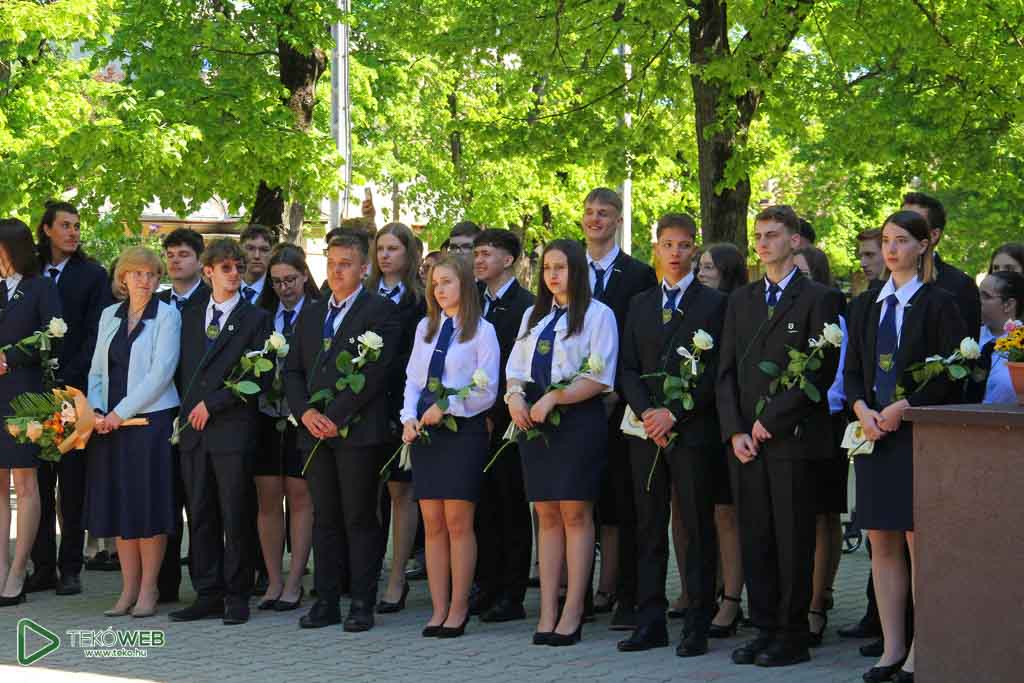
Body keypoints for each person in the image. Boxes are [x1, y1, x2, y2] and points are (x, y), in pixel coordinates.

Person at [716, 205, 843, 668]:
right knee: (756, 537)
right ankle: (764, 628)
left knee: (792, 539)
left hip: (793, 440)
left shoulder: (819, 298)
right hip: (746, 444)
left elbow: (820, 371)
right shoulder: (742, 299)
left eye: (772, 235)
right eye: (758, 235)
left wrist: (771, 419)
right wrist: (735, 430)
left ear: (794, 241)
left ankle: (792, 634)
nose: (763, 243)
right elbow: (725, 372)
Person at [845, 209, 967, 682]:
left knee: (917, 542)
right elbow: (852, 370)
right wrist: (861, 408)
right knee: (881, 541)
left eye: (901, 240)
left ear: (923, 245)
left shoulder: (940, 303)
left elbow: (954, 371)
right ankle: (891, 647)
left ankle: (920, 649)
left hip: (916, 436)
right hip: (874, 435)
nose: (891, 249)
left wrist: (906, 405)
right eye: (885, 240)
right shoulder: (865, 304)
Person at [616, 214, 727, 657]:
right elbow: (627, 367)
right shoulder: (640, 303)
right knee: (648, 526)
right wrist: (647, 412)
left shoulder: (714, 304)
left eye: (683, 245)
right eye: (667, 245)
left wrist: (674, 413)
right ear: (656, 248)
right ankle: (650, 621)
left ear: (694, 250)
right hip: (645, 432)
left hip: (691, 430)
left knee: (696, 526)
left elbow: (717, 370)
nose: (675, 253)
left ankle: (697, 623)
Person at [284, 233, 401, 632]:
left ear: (364, 268)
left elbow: (376, 372)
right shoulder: (313, 312)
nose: (336, 270)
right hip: (313, 432)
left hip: (358, 433)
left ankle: (362, 602)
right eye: (331, 263)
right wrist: (306, 413)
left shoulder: (380, 311)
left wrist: (335, 415)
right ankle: (327, 601)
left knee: (359, 517)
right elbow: (292, 370)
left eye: (346, 264)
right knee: (325, 518)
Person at [506, 239, 619, 646]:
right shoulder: (533, 315)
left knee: (575, 515)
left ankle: (573, 609)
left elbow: (600, 376)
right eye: (548, 268)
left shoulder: (598, 314)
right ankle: (548, 610)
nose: (553, 275)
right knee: (547, 515)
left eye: (562, 267)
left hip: (577, 423)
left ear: (578, 271)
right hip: (535, 425)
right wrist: (514, 397)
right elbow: (515, 369)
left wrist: (556, 396)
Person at [169, 239, 271, 625]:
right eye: (225, 267)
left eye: (237, 267)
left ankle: (237, 593)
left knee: (236, 512)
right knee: (199, 512)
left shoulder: (255, 318)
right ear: (208, 271)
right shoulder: (190, 314)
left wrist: (214, 404)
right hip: (193, 433)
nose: (233, 273)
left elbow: (258, 376)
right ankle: (207, 591)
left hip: (232, 430)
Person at [400, 254, 499, 638]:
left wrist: (448, 405)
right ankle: (438, 608)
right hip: (426, 436)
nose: (439, 290)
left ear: (465, 285)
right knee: (433, 524)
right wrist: (408, 416)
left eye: (447, 282)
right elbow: (413, 380)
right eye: (435, 283)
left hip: (462, 433)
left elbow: (487, 389)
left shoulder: (482, 331)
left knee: (458, 523)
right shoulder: (425, 327)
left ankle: (459, 608)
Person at [85, 247, 180, 618]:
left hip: (149, 424)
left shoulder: (167, 315)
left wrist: (119, 413)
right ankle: (127, 589)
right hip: (109, 425)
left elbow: (161, 373)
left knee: (147, 507)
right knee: (121, 507)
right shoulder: (109, 315)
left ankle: (149, 589)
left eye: (152, 274)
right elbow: (96, 370)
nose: (145, 280)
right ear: (123, 277)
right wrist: (96, 410)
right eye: (137, 273)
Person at [582, 187, 657, 629]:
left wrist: (620, 393)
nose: (596, 219)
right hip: (575, 405)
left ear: (618, 221)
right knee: (581, 501)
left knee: (625, 504)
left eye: (604, 213)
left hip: (623, 404)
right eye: (590, 212)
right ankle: (581, 591)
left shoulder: (639, 274)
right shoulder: (569, 269)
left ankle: (627, 594)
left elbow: (641, 340)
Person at [27, 200, 110, 597]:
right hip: (31, 393)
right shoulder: (29, 272)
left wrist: (70, 377)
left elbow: (97, 332)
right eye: (65, 225)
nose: (73, 232)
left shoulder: (93, 274)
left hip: (74, 393)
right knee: (37, 483)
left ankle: (71, 567)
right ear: (46, 229)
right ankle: (42, 566)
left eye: (76, 226)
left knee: (72, 484)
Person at [471, 228, 535, 622]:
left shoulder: (526, 306)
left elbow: (518, 366)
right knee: (483, 506)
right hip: (472, 420)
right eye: (476, 253)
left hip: (507, 419)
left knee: (510, 505)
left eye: (486, 253)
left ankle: (512, 594)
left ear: (508, 260)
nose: (478, 260)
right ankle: (486, 584)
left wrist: (497, 412)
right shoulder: (473, 301)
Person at [252, 245, 318, 613]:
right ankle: (273, 579)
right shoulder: (262, 315)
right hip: (266, 414)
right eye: (276, 282)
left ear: (304, 276)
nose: (284, 288)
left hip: (303, 416)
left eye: (290, 279)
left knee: (300, 496)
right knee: (268, 498)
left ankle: (294, 581)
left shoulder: (318, 313)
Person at [0, 219, 61, 606]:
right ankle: (0, 566)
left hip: (26, 395)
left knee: (25, 483)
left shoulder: (42, 287)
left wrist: (9, 357)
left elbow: (53, 336)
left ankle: (20, 569)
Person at [369, 223, 427, 613]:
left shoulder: (420, 299)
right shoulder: (363, 294)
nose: (386, 255)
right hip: (364, 406)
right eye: (381, 249)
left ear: (409, 253)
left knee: (401, 492)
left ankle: (397, 578)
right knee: (366, 492)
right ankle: (365, 571)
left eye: (393, 248)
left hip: (402, 405)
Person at [794, 246, 849, 646]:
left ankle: (818, 600)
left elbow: (838, 378)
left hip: (826, 421)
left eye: (801, 272)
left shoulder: (834, 317)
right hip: (788, 424)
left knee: (823, 515)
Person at [693, 241, 747, 637]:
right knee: (703, 513)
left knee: (727, 514)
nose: (700, 273)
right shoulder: (696, 306)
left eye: (708, 267)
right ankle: (702, 590)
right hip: (698, 424)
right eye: (699, 266)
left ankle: (731, 598)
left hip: (727, 422)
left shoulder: (737, 307)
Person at [157, 227, 210, 603]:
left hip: (201, 416)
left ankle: (207, 587)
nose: (175, 261)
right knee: (165, 501)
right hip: (161, 413)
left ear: (200, 260)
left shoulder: (212, 301)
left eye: (184, 254)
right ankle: (163, 585)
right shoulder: (157, 303)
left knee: (202, 505)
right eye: (170, 255)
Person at [901, 192, 981, 338]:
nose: (901, 230)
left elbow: (965, 347)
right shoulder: (880, 284)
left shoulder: (959, 286)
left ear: (934, 235)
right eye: (898, 221)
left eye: (913, 224)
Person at [969, 271, 1023, 404]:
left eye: (985, 296)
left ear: (1008, 305)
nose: (977, 301)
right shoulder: (969, 337)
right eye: (977, 294)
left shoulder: (1021, 342)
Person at [239, 224, 277, 305]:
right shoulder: (225, 286)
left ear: (271, 253)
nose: (257, 256)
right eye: (250, 248)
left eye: (264, 250)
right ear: (240, 250)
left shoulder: (279, 292)